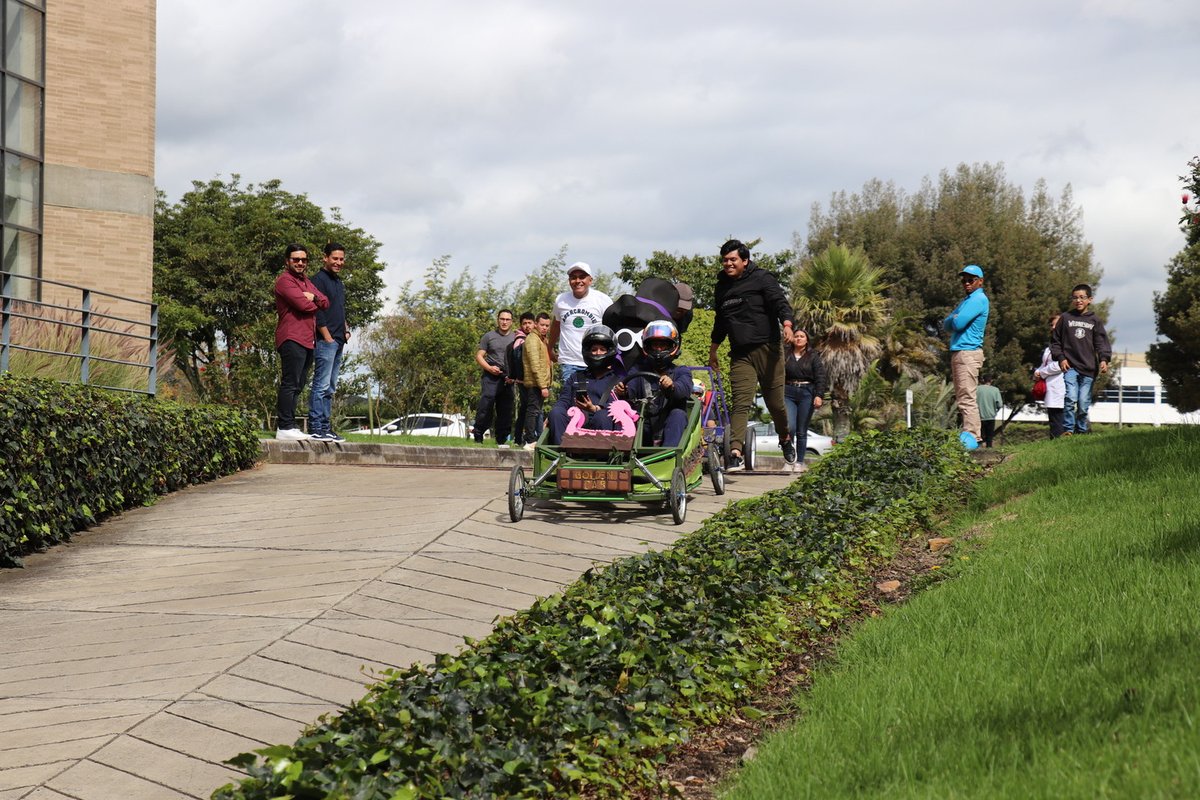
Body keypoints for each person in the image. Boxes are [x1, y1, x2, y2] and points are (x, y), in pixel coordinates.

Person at [707, 239, 796, 472]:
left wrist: (787, 325)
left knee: (775, 404)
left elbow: (780, 303)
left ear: (745, 261)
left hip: (768, 349)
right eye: (725, 260)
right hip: (740, 353)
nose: (728, 264)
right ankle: (735, 451)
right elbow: (720, 321)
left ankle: (785, 437)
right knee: (741, 402)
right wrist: (713, 350)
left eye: (733, 260)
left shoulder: (762, 278)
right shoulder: (722, 287)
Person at [274, 244, 328, 440]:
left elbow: (325, 301)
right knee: (290, 382)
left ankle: (290, 425)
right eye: (296, 259)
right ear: (287, 261)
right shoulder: (284, 281)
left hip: (307, 339)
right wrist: (314, 301)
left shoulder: (305, 281)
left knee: (299, 383)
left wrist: (313, 296)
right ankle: (284, 426)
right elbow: (304, 305)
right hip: (291, 337)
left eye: (303, 260)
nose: (300, 263)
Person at [619, 319, 694, 447]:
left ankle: (668, 457)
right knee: (630, 415)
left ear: (672, 346)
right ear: (647, 346)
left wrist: (672, 386)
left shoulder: (681, 371)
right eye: (655, 345)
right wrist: (623, 391)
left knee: (678, 414)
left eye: (663, 345)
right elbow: (630, 390)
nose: (658, 349)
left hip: (669, 425)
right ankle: (626, 455)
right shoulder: (637, 370)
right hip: (644, 424)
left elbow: (684, 390)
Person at [1050, 284, 1112, 436]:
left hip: (1089, 368)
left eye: (1082, 297)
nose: (1078, 300)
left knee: (1083, 403)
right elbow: (1055, 341)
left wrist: (1104, 359)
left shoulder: (1094, 320)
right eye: (1075, 297)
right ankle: (1068, 430)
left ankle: (1081, 430)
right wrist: (1061, 358)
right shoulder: (1065, 318)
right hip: (1070, 366)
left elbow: (1101, 342)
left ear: (1090, 299)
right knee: (1070, 397)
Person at [547, 325, 623, 444]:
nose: (598, 353)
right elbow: (563, 401)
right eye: (594, 349)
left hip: (605, 426)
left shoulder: (620, 380)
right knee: (556, 413)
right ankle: (561, 455)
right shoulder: (575, 377)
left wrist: (594, 409)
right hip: (578, 422)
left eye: (602, 349)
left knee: (602, 416)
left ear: (610, 351)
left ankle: (603, 458)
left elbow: (622, 408)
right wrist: (553, 413)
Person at [942, 264, 990, 447]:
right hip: (962, 352)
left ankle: (972, 435)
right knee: (963, 396)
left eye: (971, 280)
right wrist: (952, 319)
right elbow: (947, 323)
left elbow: (958, 322)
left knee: (967, 396)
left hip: (967, 353)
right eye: (964, 280)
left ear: (980, 281)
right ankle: (970, 434)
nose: (966, 283)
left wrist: (954, 318)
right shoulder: (968, 300)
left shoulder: (978, 299)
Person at [308, 243, 350, 442]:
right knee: (321, 385)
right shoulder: (318, 280)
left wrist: (345, 329)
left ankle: (325, 427)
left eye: (341, 259)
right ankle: (316, 427)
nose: (339, 262)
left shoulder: (338, 282)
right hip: (326, 341)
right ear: (325, 258)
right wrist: (326, 336)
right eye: (335, 258)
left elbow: (338, 309)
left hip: (339, 339)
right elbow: (316, 310)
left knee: (331, 387)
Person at [550, 262, 613, 389]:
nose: (577, 281)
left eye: (582, 277)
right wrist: (549, 348)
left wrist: (612, 358)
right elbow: (556, 325)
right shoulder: (561, 300)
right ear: (569, 281)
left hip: (597, 360)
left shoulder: (602, 300)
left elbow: (613, 329)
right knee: (573, 402)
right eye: (573, 277)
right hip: (570, 362)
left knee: (596, 400)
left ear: (590, 280)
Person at [783, 328, 827, 468]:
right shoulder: (785, 354)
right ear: (792, 339)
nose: (799, 338)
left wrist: (819, 395)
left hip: (807, 393)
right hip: (788, 391)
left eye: (802, 336)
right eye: (796, 336)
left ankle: (800, 462)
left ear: (807, 340)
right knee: (789, 426)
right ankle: (788, 460)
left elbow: (820, 376)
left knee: (802, 430)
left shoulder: (813, 356)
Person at [472, 309, 516, 445]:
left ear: (511, 321)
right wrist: (489, 368)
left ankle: (502, 439)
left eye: (507, 319)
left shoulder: (516, 338)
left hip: (508, 378)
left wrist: (514, 376)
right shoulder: (489, 336)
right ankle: (478, 433)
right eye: (502, 319)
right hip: (491, 376)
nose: (504, 322)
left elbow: (519, 359)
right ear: (498, 320)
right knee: (486, 404)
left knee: (506, 408)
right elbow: (479, 356)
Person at [521, 313, 553, 450]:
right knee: (532, 411)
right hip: (535, 383)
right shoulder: (532, 339)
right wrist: (543, 386)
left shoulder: (542, 339)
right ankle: (529, 439)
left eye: (547, 325)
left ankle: (533, 439)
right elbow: (535, 365)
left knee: (536, 410)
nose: (544, 328)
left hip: (540, 383)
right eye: (542, 325)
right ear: (536, 324)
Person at [1035, 313, 1067, 438]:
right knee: (1053, 418)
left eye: (1056, 325)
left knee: (1058, 418)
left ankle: (1058, 443)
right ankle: (1054, 442)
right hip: (1050, 387)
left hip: (1060, 385)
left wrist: (1041, 373)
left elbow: (1060, 365)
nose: (1053, 328)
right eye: (1051, 325)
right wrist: (1037, 372)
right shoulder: (1050, 347)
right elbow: (1044, 363)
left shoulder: (1067, 344)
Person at [510, 312, 535, 445]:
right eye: (524, 323)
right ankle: (529, 438)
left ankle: (518, 438)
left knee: (525, 409)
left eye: (529, 323)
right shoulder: (521, 341)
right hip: (525, 381)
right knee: (532, 410)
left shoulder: (532, 338)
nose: (527, 326)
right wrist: (521, 378)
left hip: (527, 380)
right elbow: (519, 361)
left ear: (534, 324)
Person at [975, 375, 1003, 448]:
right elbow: (999, 404)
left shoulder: (976, 389)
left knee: (979, 435)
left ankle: (978, 449)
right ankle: (989, 448)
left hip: (978, 416)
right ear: (991, 381)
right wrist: (995, 411)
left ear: (982, 380)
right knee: (989, 436)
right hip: (991, 416)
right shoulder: (995, 390)